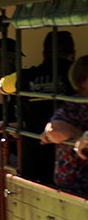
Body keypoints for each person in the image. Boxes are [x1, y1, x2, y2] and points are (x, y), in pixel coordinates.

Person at [0, 30, 76, 184]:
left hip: (32, 152)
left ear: (44, 54)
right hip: (70, 155)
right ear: (72, 54)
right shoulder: (78, 76)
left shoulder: (26, 76)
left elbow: (1, 85)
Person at [39, 54, 88, 198]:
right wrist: (81, 137)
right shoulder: (73, 105)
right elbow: (54, 130)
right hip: (75, 185)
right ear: (83, 81)